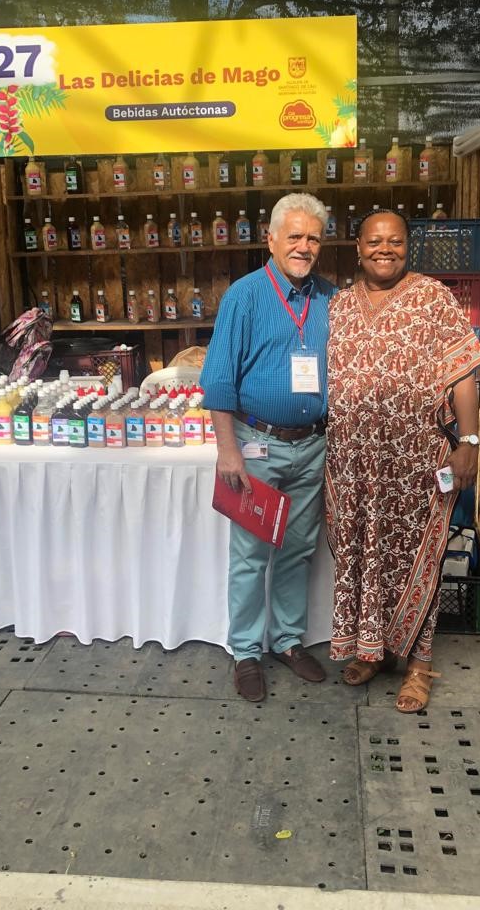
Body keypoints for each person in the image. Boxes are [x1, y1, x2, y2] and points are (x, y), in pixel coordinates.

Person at [325, 209, 480, 712]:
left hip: (415, 461)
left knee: (418, 559)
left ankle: (418, 664)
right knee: (364, 555)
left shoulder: (433, 297)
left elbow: (463, 373)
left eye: (395, 241)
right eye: (375, 241)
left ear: (407, 246)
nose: (385, 249)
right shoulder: (339, 305)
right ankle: (373, 651)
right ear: (358, 248)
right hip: (354, 462)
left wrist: (469, 441)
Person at [200, 193, 336, 702]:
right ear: (272, 239)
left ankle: (287, 640)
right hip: (257, 445)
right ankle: (245, 651)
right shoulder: (245, 296)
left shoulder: (330, 298)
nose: (304, 246)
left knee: (298, 551)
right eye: (295, 236)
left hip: (314, 445)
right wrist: (228, 450)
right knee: (251, 554)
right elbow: (218, 379)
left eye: (313, 238)